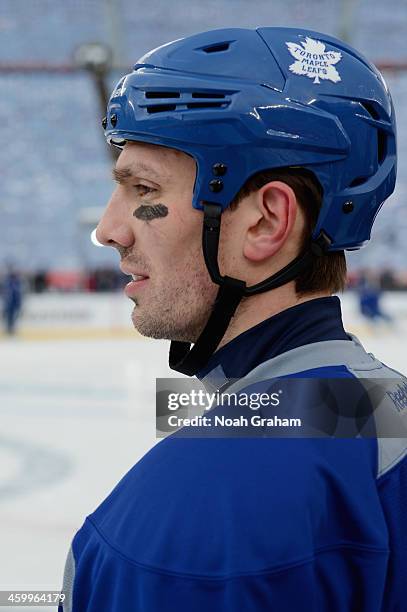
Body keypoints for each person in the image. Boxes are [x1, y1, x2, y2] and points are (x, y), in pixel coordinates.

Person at [60, 27, 407, 611]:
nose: (108, 230)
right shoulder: (384, 413)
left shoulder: (180, 526)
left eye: (143, 189)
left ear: (267, 222)